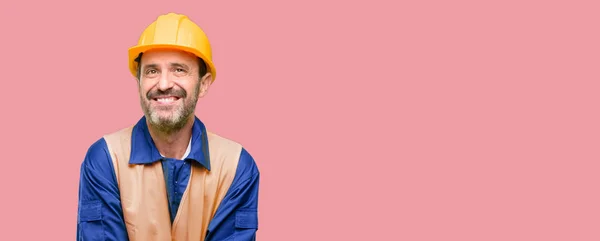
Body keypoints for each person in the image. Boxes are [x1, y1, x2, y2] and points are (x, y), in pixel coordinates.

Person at [76, 13, 260, 241]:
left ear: (203, 85)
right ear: (139, 82)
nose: (163, 84)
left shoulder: (236, 166)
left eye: (179, 70)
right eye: (152, 71)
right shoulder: (105, 159)